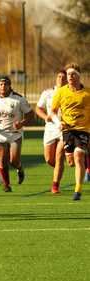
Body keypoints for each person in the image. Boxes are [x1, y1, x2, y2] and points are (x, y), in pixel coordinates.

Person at [0, 76, 34, 192]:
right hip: (0, 133)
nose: (3, 87)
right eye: (1, 84)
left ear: (9, 86)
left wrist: (21, 123)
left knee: (13, 160)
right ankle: (6, 185)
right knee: (2, 159)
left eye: (5, 84)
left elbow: (30, 115)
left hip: (15, 134)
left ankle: (19, 168)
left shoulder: (18, 99)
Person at [52, 63, 90, 200]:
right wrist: (59, 122)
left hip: (83, 130)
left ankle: (78, 190)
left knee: (78, 155)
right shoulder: (61, 92)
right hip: (67, 130)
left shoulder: (87, 93)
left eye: (73, 74)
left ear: (79, 76)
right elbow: (52, 112)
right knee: (71, 162)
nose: (70, 77)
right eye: (68, 74)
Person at [36, 69, 67, 193]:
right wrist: (45, 117)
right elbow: (38, 108)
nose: (61, 79)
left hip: (64, 129)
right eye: (59, 76)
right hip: (50, 129)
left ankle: (55, 185)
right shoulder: (47, 93)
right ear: (56, 78)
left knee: (59, 156)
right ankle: (60, 168)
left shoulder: (70, 93)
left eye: (63, 77)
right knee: (49, 159)